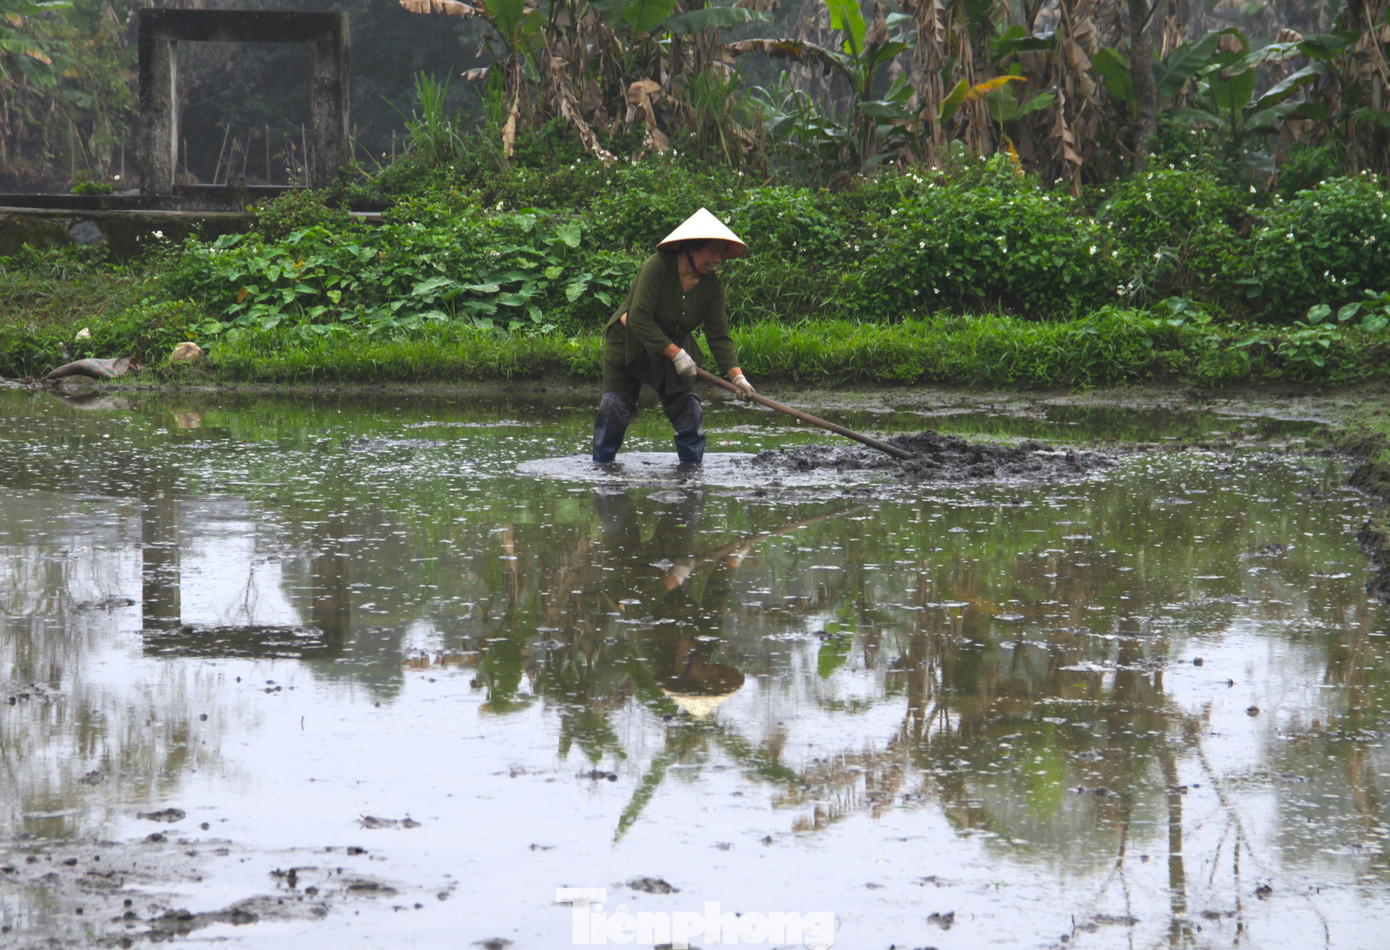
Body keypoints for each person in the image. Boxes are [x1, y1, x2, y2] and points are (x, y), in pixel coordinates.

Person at [591, 208, 756, 464]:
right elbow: (639, 319)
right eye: (714, 252)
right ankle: (602, 471)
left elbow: (718, 335)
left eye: (721, 254)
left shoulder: (712, 285)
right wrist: (677, 355)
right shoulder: (658, 266)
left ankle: (691, 474)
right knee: (615, 409)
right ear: (693, 248)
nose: (718, 259)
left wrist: (737, 377)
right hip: (628, 343)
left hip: (673, 349)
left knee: (689, 411)